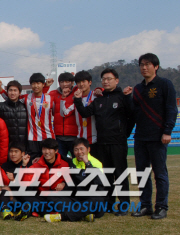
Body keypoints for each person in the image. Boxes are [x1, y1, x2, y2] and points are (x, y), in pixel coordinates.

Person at [73, 68, 133, 216]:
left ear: (116, 81)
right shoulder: (98, 99)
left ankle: (124, 205)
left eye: (109, 79)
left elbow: (132, 116)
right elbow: (85, 113)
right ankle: (109, 204)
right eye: (103, 79)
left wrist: (124, 133)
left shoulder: (122, 97)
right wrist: (77, 100)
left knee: (120, 174)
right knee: (106, 175)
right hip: (101, 143)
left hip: (118, 142)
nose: (106, 81)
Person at [131, 53, 177, 219]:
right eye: (142, 65)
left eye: (148, 64)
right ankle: (145, 206)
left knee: (160, 174)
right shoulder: (137, 89)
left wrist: (167, 131)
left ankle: (161, 207)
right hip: (140, 137)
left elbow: (171, 109)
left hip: (158, 137)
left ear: (156, 66)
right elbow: (133, 113)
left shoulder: (165, 84)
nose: (144, 67)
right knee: (142, 174)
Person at [44, 138, 105, 222]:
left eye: (81, 149)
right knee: (52, 197)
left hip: (91, 197)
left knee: (97, 200)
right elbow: (57, 156)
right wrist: (64, 183)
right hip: (76, 199)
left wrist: (87, 164)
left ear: (88, 149)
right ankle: (83, 214)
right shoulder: (72, 162)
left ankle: (62, 217)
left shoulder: (96, 163)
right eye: (76, 150)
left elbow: (98, 184)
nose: (79, 152)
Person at [0, 74, 55, 161]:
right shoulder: (27, 98)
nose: (36, 86)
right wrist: (0, 89)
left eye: (38, 83)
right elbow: (12, 97)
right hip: (32, 138)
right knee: (33, 164)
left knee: (49, 162)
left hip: (48, 136)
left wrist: (46, 87)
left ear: (43, 84)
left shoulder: (51, 98)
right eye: (33, 83)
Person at [60, 71, 100, 157]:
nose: (81, 84)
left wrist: (101, 89)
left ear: (90, 82)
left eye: (84, 81)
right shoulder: (76, 98)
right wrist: (63, 98)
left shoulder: (97, 96)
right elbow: (64, 113)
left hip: (95, 140)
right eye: (78, 82)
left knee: (95, 167)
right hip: (80, 140)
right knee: (81, 168)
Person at [0, 80, 27, 145]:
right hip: (6, 145)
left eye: (15, 90)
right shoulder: (0, 107)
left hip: (24, 145)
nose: (12, 93)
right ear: (7, 92)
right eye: (10, 90)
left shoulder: (26, 107)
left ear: (20, 93)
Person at [48, 72, 78, 158]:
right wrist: (46, 86)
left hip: (74, 136)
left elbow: (89, 90)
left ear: (72, 83)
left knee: (77, 162)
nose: (64, 84)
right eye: (62, 82)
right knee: (60, 162)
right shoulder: (53, 94)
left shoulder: (77, 92)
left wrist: (99, 89)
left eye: (67, 81)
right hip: (59, 137)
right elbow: (41, 97)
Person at [1, 141, 33, 221]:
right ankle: (6, 211)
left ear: (23, 153)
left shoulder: (29, 166)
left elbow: (29, 186)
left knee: (29, 199)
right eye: (11, 151)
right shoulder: (5, 166)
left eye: (16, 151)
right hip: (12, 199)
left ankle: (24, 213)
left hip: (25, 197)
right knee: (4, 189)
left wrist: (14, 180)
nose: (13, 154)